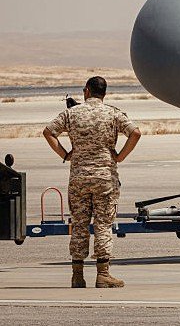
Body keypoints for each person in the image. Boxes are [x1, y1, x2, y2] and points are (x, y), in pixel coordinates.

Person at [43, 76, 141, 288]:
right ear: (104, 93)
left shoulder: (72, 113)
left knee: (79, 225)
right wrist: (120, 156)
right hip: (105, 177)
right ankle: (103, 274)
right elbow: (135, 133)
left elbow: (48, 132)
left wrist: (66, 154)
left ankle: (77, 275)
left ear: (86, 91)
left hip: (78, 177)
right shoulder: (113, 113)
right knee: (103, 225)